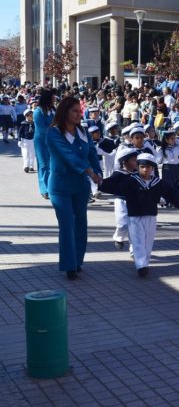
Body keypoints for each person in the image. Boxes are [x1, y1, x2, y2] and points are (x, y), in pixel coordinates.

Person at [46, 96, 103, 279]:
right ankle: (69, 265)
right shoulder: (54, 133)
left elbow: (92, 153)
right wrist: (88, 171)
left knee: (80, 223)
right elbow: (68, 155)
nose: (80, 114)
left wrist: (98, 171)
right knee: (67, 224)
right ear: (65, 112)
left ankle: (78, 261)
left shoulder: (84, 132)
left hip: (80, 186)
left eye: (80, 111)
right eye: (75, 111)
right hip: (60, 186)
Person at [99, 153, 179, 277]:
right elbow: (116, 187)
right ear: (138, 167)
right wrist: (100, 182)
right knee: (138, 241)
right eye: (142, 166)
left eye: (148, 167)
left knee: (148, 242)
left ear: (153, 168)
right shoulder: (131, 181)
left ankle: (145, 261)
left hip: (151, 217)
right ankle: (141, 265)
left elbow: (170, 193)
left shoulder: (157, 182)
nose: (145, 169)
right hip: (135, 217)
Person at [34, 89, 56, 199]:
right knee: (43, 165)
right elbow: (42, 129)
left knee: (52, 165)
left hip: (53, 141)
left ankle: (52, 187)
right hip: (41, 141)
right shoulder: (38, 112)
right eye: (52, 98)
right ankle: (44, 189)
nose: (54, 100)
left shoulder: (53, 111)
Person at [18, 109, 36, 173]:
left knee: (32, 154)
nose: (31, 117)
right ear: (26, 116)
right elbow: (20, 133)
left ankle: (31, 166)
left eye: (32, 115)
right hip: (25, 140)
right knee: (25, 154)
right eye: (30, 115)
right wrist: (19, 140)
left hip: (32, 140)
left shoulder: (34, 123)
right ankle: (26, 166)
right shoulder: (23, 124)